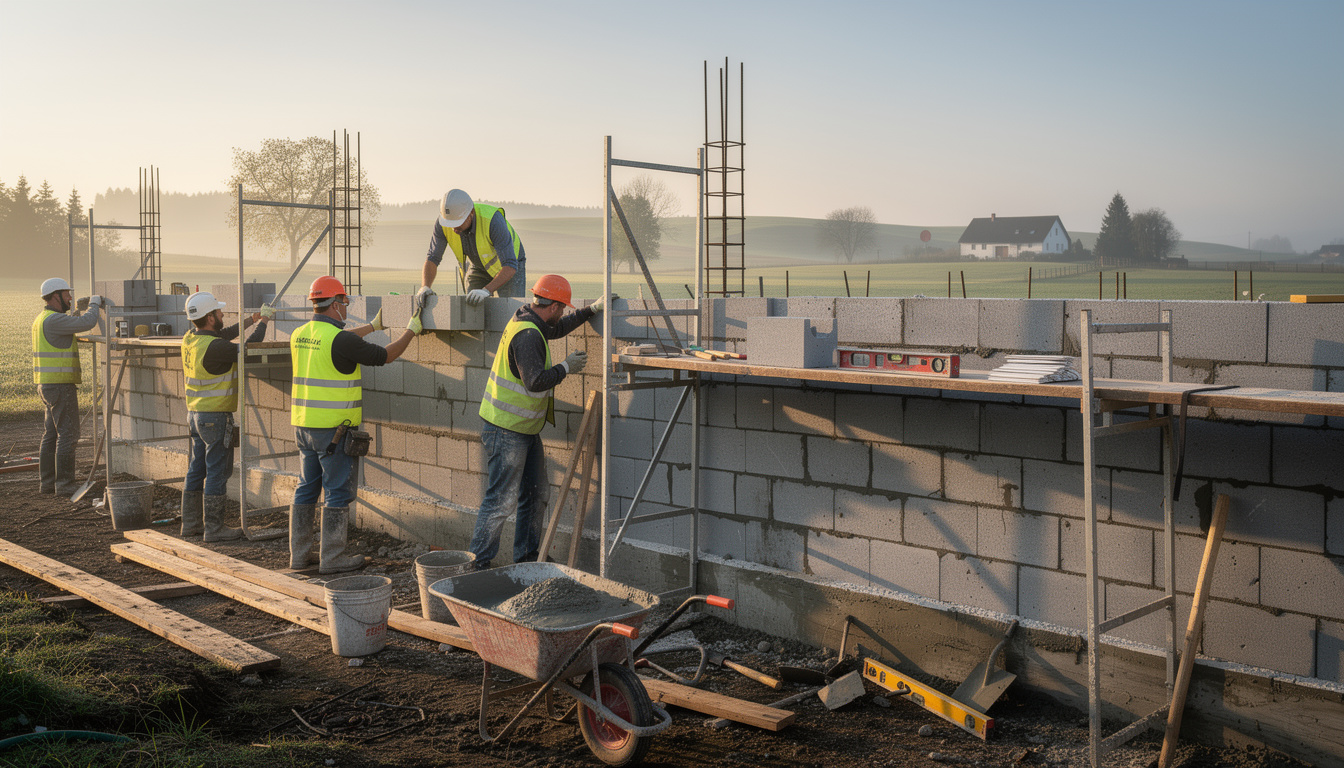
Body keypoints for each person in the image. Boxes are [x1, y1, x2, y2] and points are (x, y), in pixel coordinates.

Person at [470, 274, 604, 569]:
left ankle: (528, 558)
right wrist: (565, 367)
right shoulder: (528, 335)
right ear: (553, 306)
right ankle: (477, 566)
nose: (563, 312)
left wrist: (590, 310)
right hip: (506, 430)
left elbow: (557, 328)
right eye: (563, 307)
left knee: (536, 494)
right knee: (500, 501)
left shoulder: (528, 317)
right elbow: (534, 382)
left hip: (524, 429)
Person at [289, 276, 416, 574]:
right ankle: (332, 558)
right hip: (333, 432)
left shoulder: (300, 334)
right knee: (337, 492)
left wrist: (372, 326)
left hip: (303, 426)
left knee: (306, 489)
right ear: (335, 304)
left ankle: (299, 556)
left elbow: (341, 341)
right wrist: (411, 331)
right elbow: (384, 356)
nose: (346, 307)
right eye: (344, 301)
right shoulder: (341, 340)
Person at [179, 291, 270, 542]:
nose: (222, 314)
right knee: (217, 473)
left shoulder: (190, 338)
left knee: (196, 470)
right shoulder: (217, 347)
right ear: (210, 318)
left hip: (195, 415)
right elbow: (249, 349)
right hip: (215, 417)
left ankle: (191, 524)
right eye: (218, 312)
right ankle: (214, 529)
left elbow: (224, 334)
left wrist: (252, 318)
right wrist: (264, 322)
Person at [32, 278, 102, 495]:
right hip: (60, 386)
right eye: (67, 294)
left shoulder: (43, 318)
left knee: (51, 434)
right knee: (69, 434)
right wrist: (94, 304)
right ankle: (65, 485)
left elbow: (70, 323)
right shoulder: (54, 320)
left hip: (48, 385)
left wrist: (78, 310)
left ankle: (48, 483)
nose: (70, 297)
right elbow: (87, 323)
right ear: (56, 296)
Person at [415, 188, 527, 313]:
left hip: (509, 265)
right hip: (478, 265)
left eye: (458, 223)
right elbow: (432, 258)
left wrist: (486, 290)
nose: (454, 229)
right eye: (450, 224)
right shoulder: (444, 222)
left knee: (510, 311)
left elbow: (510, 265)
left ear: (471, 213)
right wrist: (425, 287)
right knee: (471, 306)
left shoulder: (493, 221)